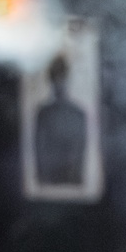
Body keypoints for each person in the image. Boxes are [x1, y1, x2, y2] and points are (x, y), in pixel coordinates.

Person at [34, 52, 87, 186]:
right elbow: (40, 157)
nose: (58, 83)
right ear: (51, 80)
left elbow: (79, 158)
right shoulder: (43, 114)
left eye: (61, 77)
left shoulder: (78, 114)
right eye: (55, 77)